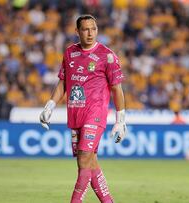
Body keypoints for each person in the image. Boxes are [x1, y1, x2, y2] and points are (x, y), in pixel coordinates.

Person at [39, 14, 127, 203]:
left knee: (83, 160)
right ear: (77, 31)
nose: (90, 33)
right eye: (85, 29)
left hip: (95, 114)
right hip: (76, 114)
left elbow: (116, 88)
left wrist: (121, 121)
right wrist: (50, 105)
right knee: (90, 164)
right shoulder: (70, 52)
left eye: (93, 29)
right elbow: (63, 82)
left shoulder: (108, 56)